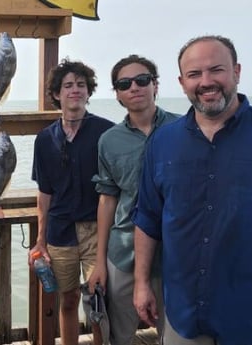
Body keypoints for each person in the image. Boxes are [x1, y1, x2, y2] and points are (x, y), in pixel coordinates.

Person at [133, 35, 252, 345]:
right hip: (182, 311)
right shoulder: (162, 141)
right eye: (195, 74)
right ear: (182, 82)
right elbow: (147, 217)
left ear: (237, 72)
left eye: (217, 70)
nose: (206, 82)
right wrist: (142, 283)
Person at [87, 55, 180, 345]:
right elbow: (107, 199)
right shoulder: (109, 140)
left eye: (142, 80)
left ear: (155, 85)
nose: (134, 88)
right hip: (123, 250)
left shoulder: (185, 129)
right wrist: (99, 261)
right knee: (118, 332)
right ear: (116, 93)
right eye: (125, 84)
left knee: (177, 333)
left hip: (176, 252)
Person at [29, 59, 114, 345]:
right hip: (60, 231)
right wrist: (40, 240)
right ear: (56, 94)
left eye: (81, 85)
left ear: (89, 92)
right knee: (67, 299)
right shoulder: (44, 140)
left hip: (97, 229)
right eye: (68, 85)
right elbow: (44, 193)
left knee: (99, 300)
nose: (75, 90)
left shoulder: (107, 132)